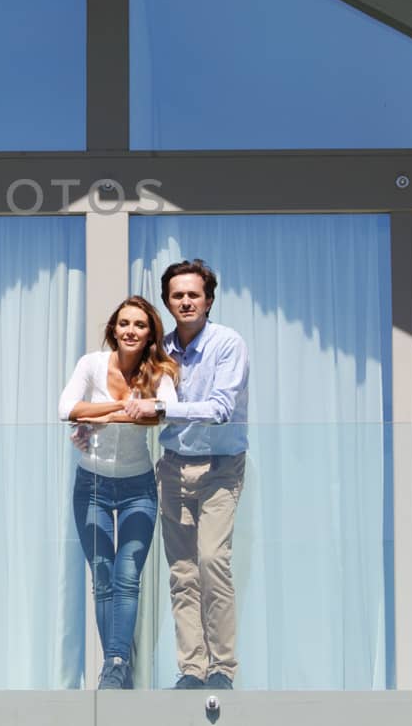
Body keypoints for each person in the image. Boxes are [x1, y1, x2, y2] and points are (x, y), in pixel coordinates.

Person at [123, 259, 249, 691]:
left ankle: (223, 669)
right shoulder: (160, 350)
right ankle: (193, 669)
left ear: (209, 300)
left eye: (194, 294)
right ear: (168, 302)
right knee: (182, 572)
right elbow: (126, 391)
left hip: (220, 467)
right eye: (177, 295)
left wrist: (162, 409)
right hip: (174, 466)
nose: (186, 301)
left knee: (213, 560)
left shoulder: (228, 344)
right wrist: (89, 422)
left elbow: (220, 409)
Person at [57, 296, 180, 690]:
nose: (130, 330)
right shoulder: (91, 364)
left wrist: (95, 415)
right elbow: (65, 408)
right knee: (103, 575)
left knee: (127, 574)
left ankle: (115, 664)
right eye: (124, 323)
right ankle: (117, 667)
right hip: (91, 484)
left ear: (150, 335)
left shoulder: (159, 371)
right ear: (113, 329)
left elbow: (165, 411)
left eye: (140, 325)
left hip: (137, 487)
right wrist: (116, 412)